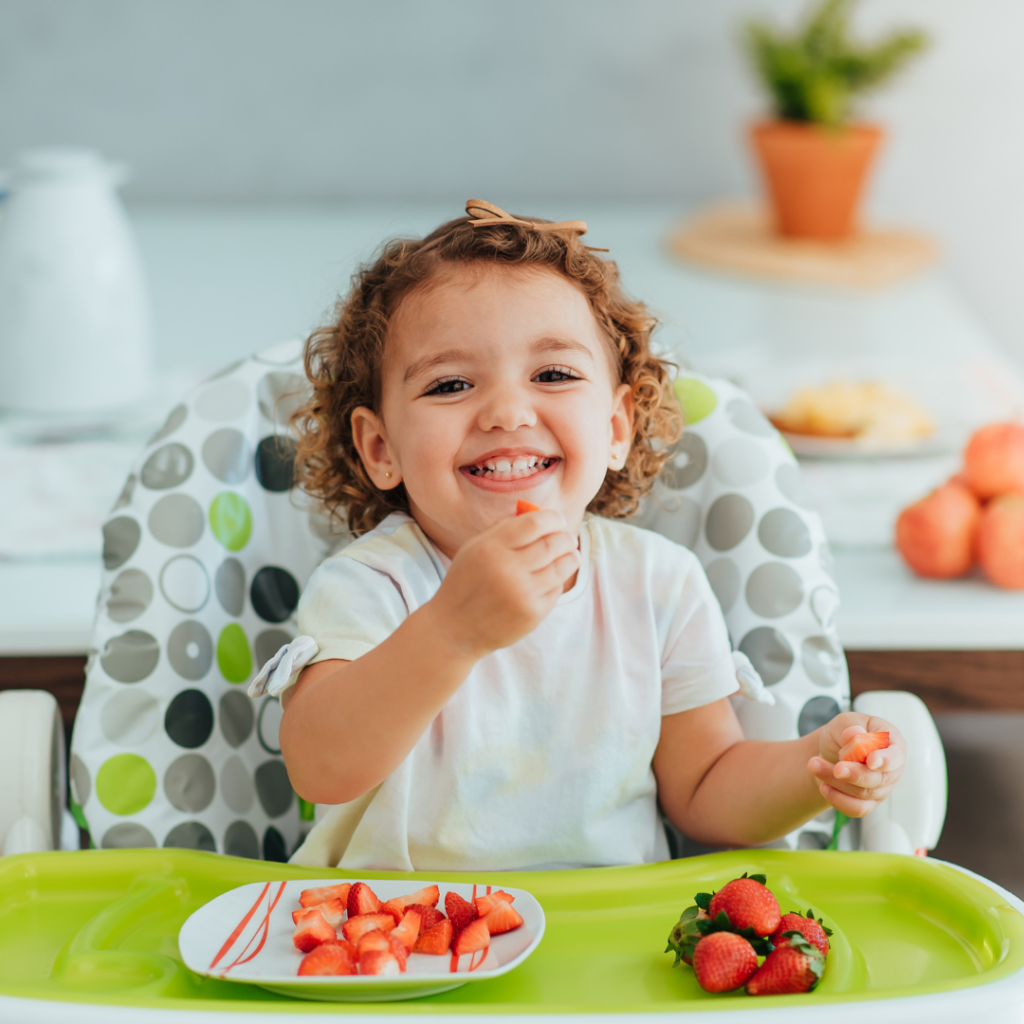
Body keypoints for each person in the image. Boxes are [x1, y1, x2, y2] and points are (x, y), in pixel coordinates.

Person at [250, 200, 905, 871]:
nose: (507, 412)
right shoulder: (368, 585)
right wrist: (453, 630)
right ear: (380, 446)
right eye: (450, 384)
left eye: (553, 375)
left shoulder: (659, 584)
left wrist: (812, 768)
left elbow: (706, 787)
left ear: (617, 428)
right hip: (399, 946)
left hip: (607, 948)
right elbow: (321, 768)